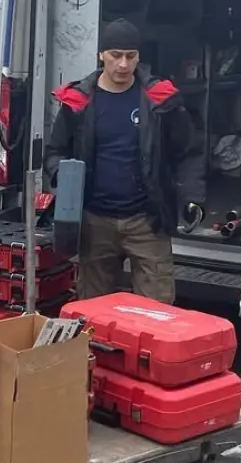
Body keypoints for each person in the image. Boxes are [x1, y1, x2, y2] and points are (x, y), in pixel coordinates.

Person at [45, 19, 204, 302]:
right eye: (115, 55)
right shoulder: (79, 103)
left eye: (130, 56)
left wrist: (192, 197)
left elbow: (189, 152)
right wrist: (65, 178)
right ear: (101, 55)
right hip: (95, 224)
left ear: (139, 57)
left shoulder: (161, 101)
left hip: (147, 223)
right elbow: (55, 151)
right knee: (92, 314)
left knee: (157, 316)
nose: (122, 64)